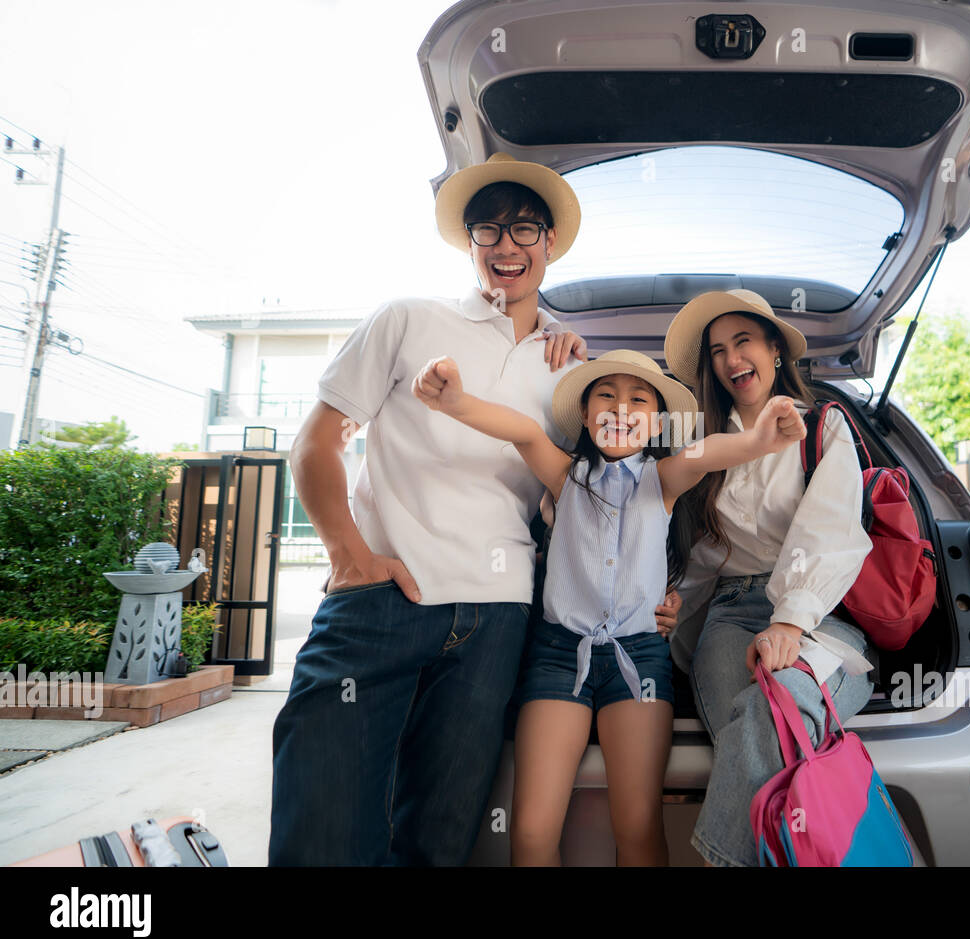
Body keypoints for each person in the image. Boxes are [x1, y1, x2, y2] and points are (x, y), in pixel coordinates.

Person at [268, 153, 678, 866]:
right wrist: (347, 555)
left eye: (524, 229)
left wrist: (641, 596)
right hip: (379, 602)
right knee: (323, 830)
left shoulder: (569, 371)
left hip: (498, 620)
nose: (506, 246)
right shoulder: (406, 320)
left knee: (438, 841)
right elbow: (316, 444)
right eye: (487, 230)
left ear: (550, 244)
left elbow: (592, 504)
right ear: (470, 245)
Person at [412, 347, 806, 866]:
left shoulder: (662, 479)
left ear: (658, 421)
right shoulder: (566, 476)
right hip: (558, 657)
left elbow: (708, 452)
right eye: (606, 395)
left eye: (638, 399)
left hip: (639, 659)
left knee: (639, 829)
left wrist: (758, 441)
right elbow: (524, 431)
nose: (621, 408)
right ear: (585, 413)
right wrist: (456, 403)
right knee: (529, 832)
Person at [663, 288, 880, 868]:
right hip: (728, 614)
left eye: (743, 342)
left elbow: (829, 527)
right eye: (717, 351)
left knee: (768, 713)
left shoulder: (824, 426)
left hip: (821, 616)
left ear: (774, 350)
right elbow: (703, 560)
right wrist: (669, 607)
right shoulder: (706, 446)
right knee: (756, 726)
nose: (731, 360)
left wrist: (789, 620)